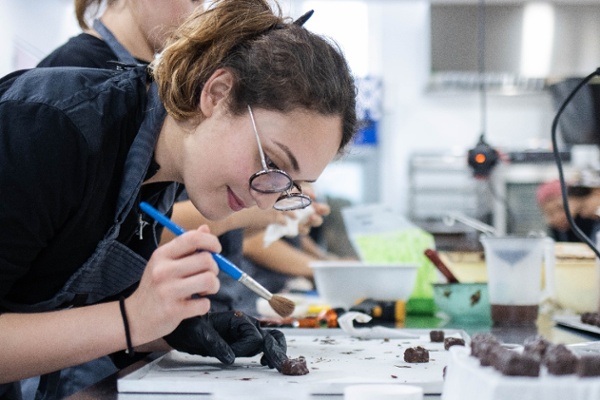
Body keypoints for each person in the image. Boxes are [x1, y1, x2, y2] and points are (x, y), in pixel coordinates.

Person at [0, 1, 358, 399]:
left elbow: (58, 315)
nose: (264, 201)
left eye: (288, 185)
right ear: (218, 94)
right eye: (271, 161)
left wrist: (172, 330)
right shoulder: (50, 129)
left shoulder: (159, 170)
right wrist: (131, 320)